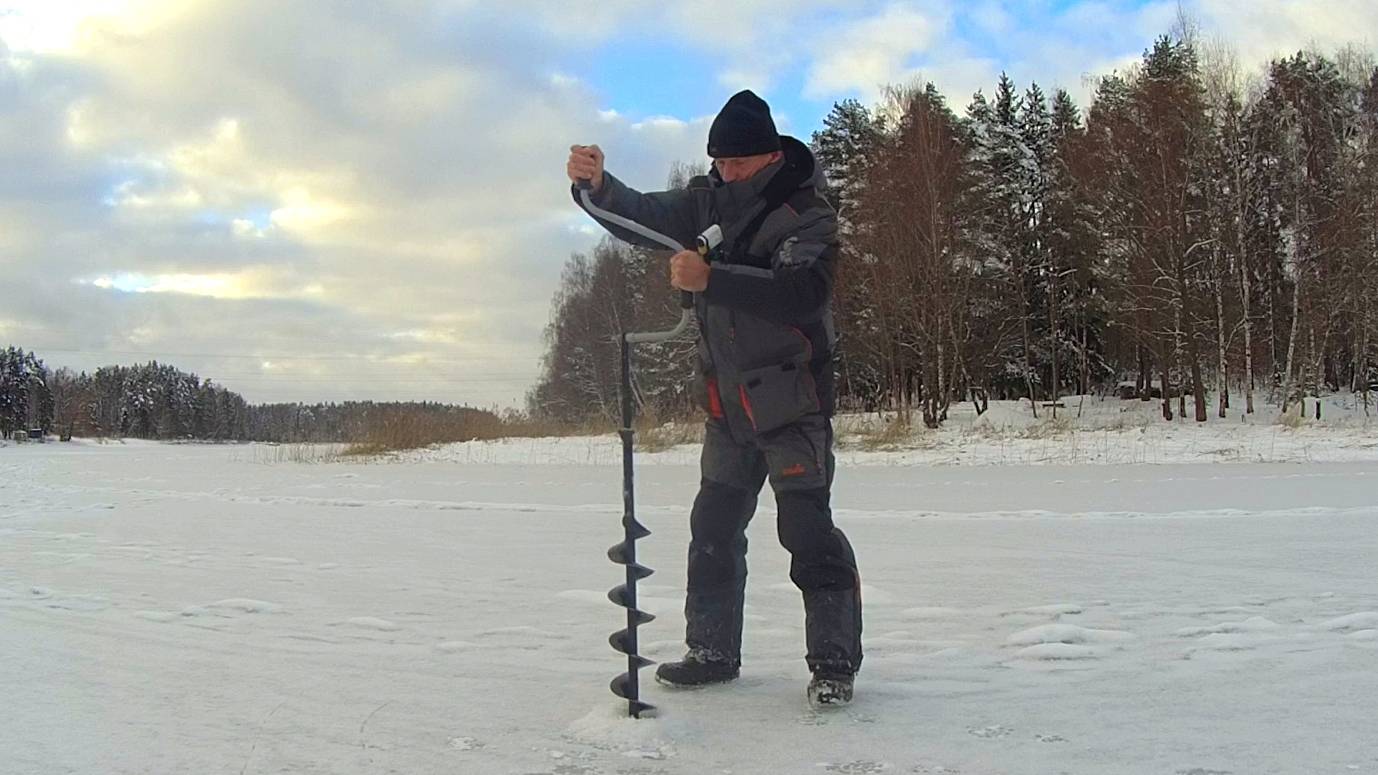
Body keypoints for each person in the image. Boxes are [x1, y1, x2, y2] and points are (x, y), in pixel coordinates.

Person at [566, 90, 862, 705]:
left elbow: (802, 293)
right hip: (727, 408)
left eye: (737, 164)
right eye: (718, 162)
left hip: (791, 404)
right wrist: (596, 187)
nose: (725, 173)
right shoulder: (706, 202)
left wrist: (713, 278)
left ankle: (834, 665)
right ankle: (712, 652)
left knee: (806, 531)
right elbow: (641, 215)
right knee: (712, 527)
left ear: (770, 155)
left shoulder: (808, 213)